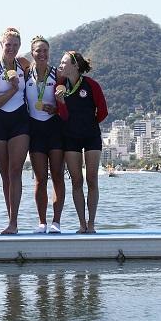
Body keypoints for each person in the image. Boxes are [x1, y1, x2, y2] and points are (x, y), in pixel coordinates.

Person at [55, 51, 108, 233]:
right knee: (76, 181)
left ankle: (92, 224)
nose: (60, 66)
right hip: (70, 137)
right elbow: (62, 116)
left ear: (75, 65)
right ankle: (82, 224)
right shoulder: (60, 86)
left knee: (92, 179)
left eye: (64, 62)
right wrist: (60, 103)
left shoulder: (91, 85)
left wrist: (88, 124)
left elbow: (103, 111)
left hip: (91, 136)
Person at [0, 28, 30, 234]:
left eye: (15, 45)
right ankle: (9, 220)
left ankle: (14, 222)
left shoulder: (24, 64)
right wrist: (12, 89)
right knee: (5, 176)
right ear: (1, 45)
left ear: (19, 46)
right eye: (7, 45)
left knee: (15, 171)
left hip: (20, 121)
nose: (11, 48)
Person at [25, 36, 65, 234]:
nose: (41, 54)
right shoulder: (25, 74)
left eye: (44, 51)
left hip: (55, 129)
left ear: (49, 53)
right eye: (37, 51)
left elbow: (68, 103)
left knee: (57, 175)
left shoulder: (57, 75)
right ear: (32, 53)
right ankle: (42, 222)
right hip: (35, 130)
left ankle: (56, 222)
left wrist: (56, 110)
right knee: (40, 178)